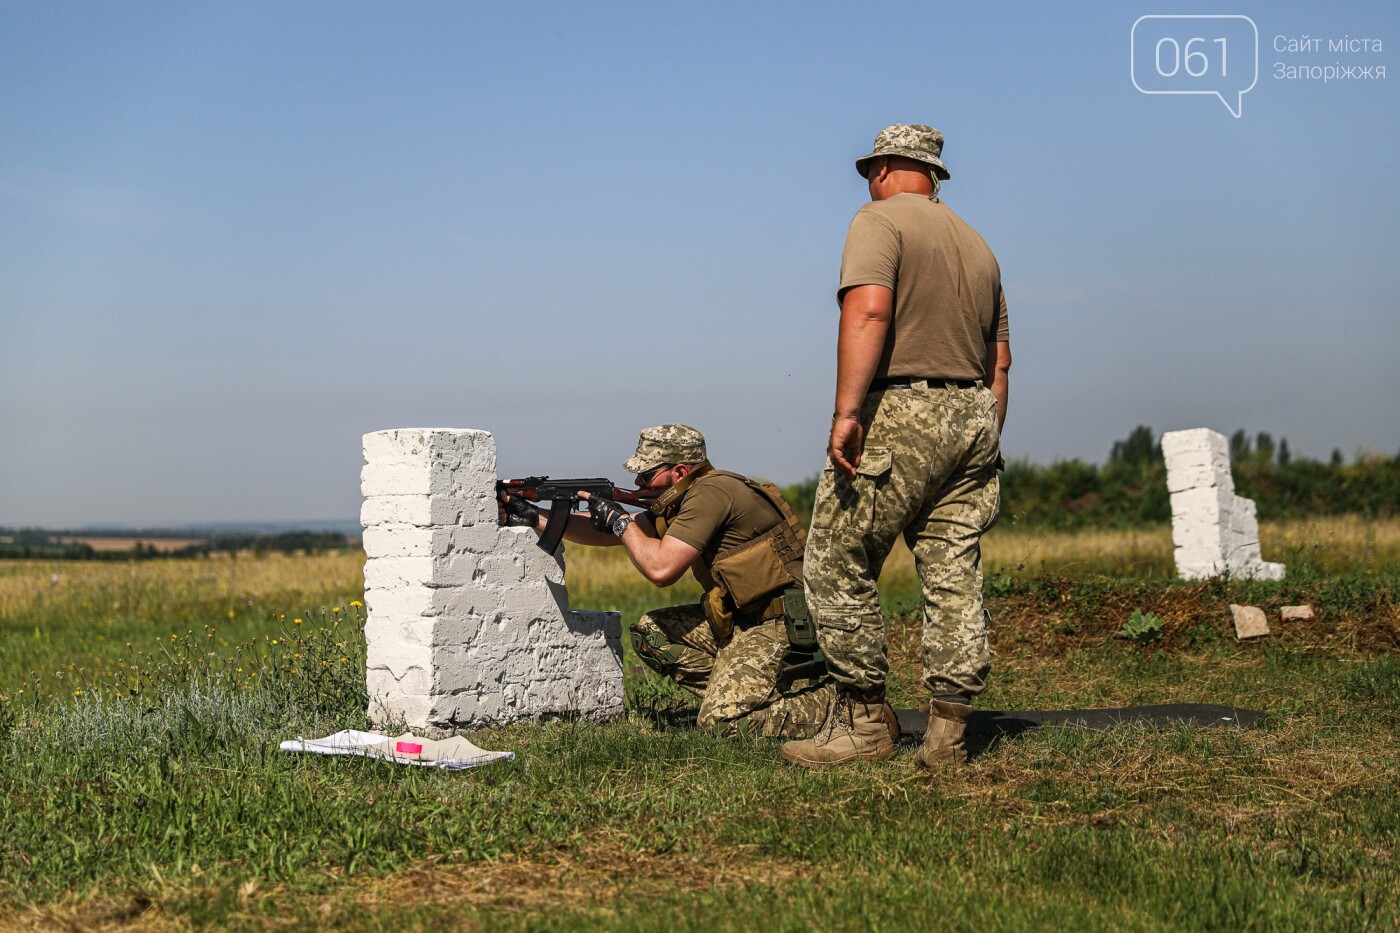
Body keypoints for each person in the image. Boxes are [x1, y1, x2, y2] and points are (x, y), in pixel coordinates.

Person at [780, 124, 1012, 769]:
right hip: (973, 413)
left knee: (834, 557)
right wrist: (985, 437)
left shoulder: (878, 220)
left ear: (883, 168)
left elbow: (869, 312)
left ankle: (863, 724)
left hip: (903, 408)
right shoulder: (979, 244)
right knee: (952, 572)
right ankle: (948, 739)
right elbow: (1001, 361)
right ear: (933, 172)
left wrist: (847, 412)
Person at [501, 425, 868, 739]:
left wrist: (619, 520)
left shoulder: (710, 493)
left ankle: (842, 705)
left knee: (721, 724)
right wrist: (537, 516)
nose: (639, 483)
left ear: (678, 472)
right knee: (652, 631)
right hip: (741, 620)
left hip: (778, 623)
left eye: (647, 476)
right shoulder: (684, 500)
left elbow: (661, 569)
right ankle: (740, 691)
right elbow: (615, 537)